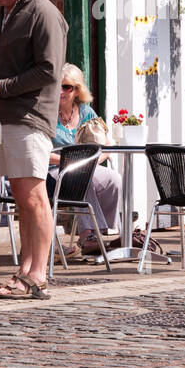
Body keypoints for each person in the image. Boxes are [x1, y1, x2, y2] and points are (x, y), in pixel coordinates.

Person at [0, 0, 68, 300]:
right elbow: (14, 64)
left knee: (34, 196)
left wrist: (1, 86)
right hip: (2, 116)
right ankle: (25, 270)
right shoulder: (7, 13)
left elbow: (49, 71)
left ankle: (38, 275)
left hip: (28, 117)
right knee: (21, 197)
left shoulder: (44, 13)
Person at [48, 63, 122, 258]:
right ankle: (87, 234)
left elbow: (107, 145)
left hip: (85, 166)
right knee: (82, 178)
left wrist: (92, 162)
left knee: (114, 179)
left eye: (67, 87)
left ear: (77, 90)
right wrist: (70, 163)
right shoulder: (46, 114)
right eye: (57, 85)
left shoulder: (86, 112)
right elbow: (41, 152)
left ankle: (106, 231)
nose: (61, 91)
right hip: (55, 168)